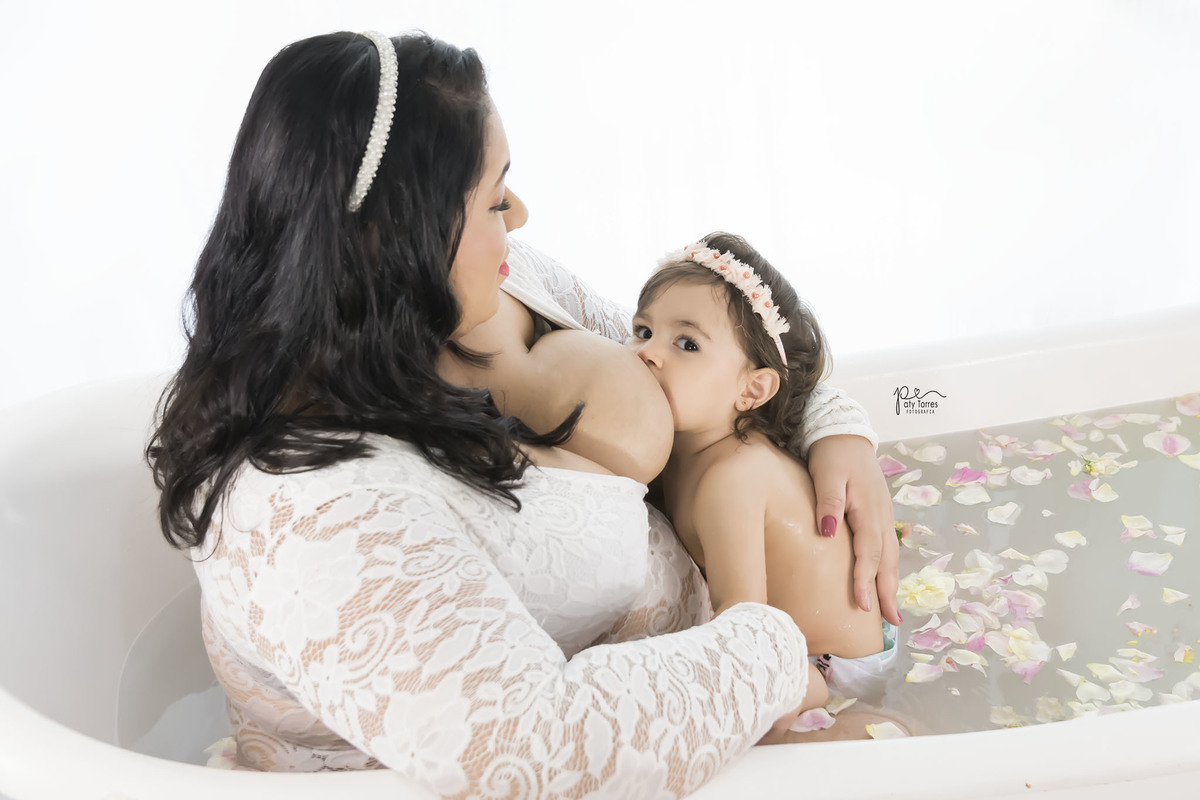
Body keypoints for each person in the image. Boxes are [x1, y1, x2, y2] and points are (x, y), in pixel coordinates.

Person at [146, 30, 898, 794]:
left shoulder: (497, 287)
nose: (522, 213)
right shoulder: (308, 507)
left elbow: (709, 358)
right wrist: (781, 660)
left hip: (750, 662)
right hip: (676, 725)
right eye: (493, 196)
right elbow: (531, 752)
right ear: (397, 236)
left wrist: (836, 431)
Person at [629, 234, 900, 737]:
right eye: (643, 330)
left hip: (831, 661)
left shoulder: (732, 480)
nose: (647, 352)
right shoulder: (683, 442)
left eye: (686, 344)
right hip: (817, 633)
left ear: (752, 388)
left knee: (763, 708)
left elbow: (743, 636)